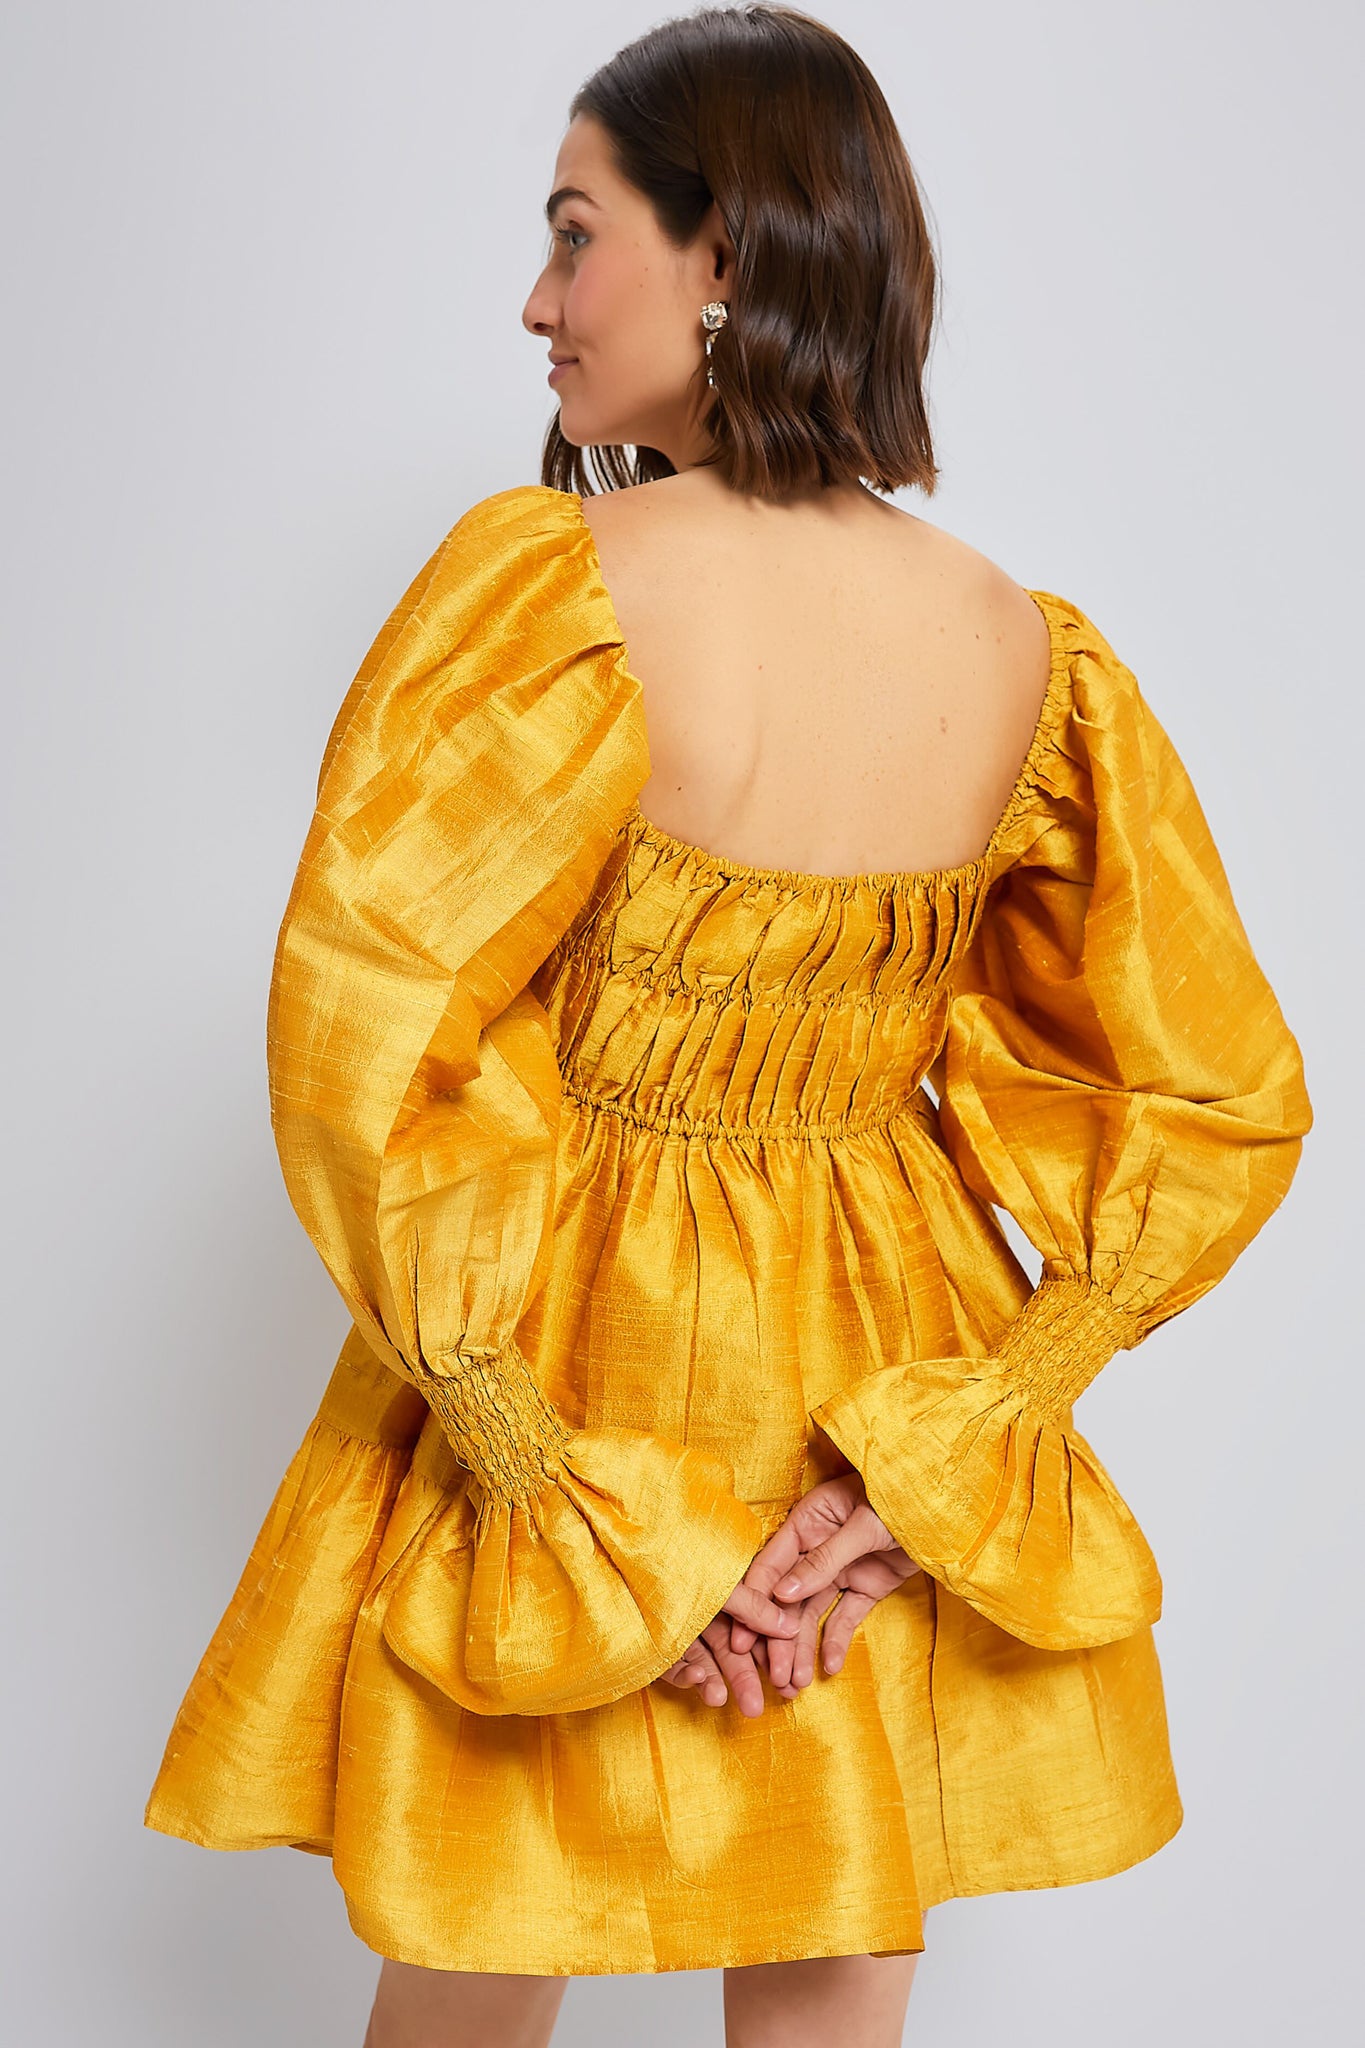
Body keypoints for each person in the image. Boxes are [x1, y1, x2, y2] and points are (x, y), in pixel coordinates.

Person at [142, 7, 1311, 2045]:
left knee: (477, 1941)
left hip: (567, 1353)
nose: (536, 300)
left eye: (573, 232)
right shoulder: (1019, 649)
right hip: (876, 1376)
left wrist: (543, 1479)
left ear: (727, 257)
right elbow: (1212, 1094)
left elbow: (365, 1031)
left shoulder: (556, 589)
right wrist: (944, 1456)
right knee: (833, 1967)